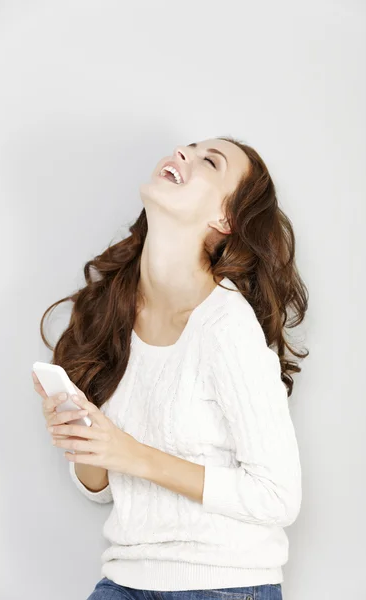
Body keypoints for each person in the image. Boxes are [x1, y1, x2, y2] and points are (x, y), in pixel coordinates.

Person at [33, 136, 309, 600]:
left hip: (223, 585)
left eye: (209, 161)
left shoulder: (226, 326)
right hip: (126, 578)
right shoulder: (113, 310)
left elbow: (279, 496)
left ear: (226, 218)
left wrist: (130, 453)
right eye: (188, 148)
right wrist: (85, 442)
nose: (182, 154)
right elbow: (100, 489)